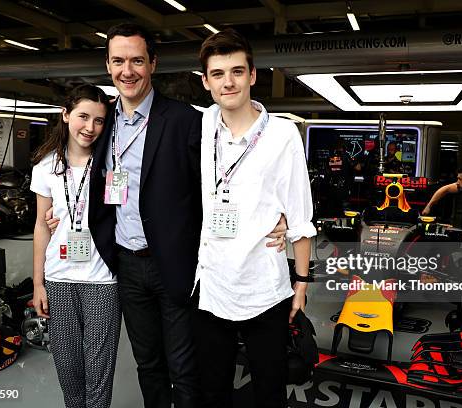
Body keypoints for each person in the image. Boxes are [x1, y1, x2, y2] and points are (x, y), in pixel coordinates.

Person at [47, 23, 286, 408]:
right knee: (148, 364)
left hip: (174, 264)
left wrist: (280, 216)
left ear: (152, 64)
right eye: (119, 61)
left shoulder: (185, 120)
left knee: (183, 367)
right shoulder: (103, 121)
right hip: (124, 263)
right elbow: (75, 162)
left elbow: (225, 173)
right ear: (108, 65)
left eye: (137, 61)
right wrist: (60, 210)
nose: (128, 71)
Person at [194, 29, 316, 408]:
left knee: (269, 389)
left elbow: (299, 214)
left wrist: (301, 282)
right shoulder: (197, 127)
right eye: (218, 74)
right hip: (211, 286)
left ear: (253, 75)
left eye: (236, 71)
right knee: (212, 389)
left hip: (265, 287)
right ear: (206, 82)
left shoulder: (282, 134)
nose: (227, 82)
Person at [31, 84, 120, 408]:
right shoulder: (46, 167)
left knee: (99, 371)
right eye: (83, 116)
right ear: (66, 115)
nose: (90, 127)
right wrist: (38, 282)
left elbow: (121, 214)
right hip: (59, 279)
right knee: (68, 368)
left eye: (99, 120)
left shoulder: (112, 166)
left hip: (102, 281)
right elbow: (41, 225)